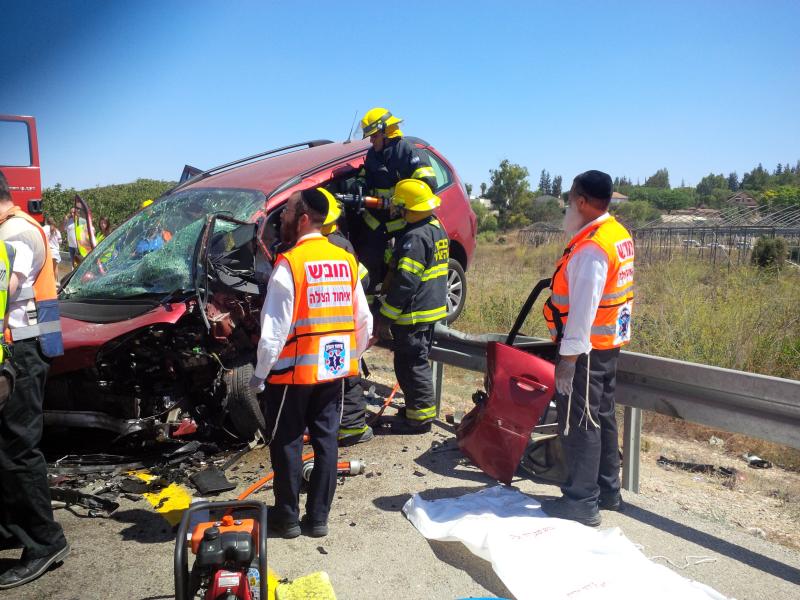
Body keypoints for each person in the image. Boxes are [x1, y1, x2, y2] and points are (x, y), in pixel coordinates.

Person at [249, 187, 372, 539]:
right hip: (333, 372)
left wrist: (260, 375)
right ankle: (318, 519)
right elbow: (364, 321)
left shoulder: (290, 264)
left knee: (286, 442)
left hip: (291, 375)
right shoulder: (346, 261)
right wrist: (353, 357)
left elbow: (273, 332)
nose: (282, 217)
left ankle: (287, 519)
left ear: (302, 219)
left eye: (286, 211)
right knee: (326, 441)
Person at [540, 170, 634, 527]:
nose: (567, 206)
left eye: (570, 199)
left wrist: (567, 361)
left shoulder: (592, 248)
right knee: (603, 417)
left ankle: (581, 501)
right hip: (609, 345)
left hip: (586, 350)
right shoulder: (618, 234)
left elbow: (582, 311)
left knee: (581, 422)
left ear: (581, 202)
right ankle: (608, 492)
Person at [0, 170, 69, 590]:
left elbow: (7, 288)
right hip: (22, 347)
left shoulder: (15, 234)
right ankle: (13, 529)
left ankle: (45, 542)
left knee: (16, 449)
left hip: (20, 351)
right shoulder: (20, 227)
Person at [374, 179, 449, 432]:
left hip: (415, 313)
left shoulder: (415, 237)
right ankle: (417, 409)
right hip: (429, 308)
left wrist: (386, 316)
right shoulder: (435, 226)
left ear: (407, 207)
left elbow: (405, 282)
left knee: (411, 363)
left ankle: (420, 419)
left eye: (399, 206)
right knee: (413, 361)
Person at [353, 107, 438, 302]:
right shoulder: (373, 154)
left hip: (402, 223)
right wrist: (360, 183)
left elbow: (427, 185)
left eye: (374, 136)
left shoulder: (407, 151)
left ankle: (397, 305)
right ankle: (370, 306)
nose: (371, 140)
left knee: (400, 270)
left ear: (385, 132)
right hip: (375, 222)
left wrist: (400, 203)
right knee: (369, 266)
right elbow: (366, 174)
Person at [317, 188, 373, 446]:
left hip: (325, 322)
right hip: (342, 320)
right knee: (345, 376)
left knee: (336, 378)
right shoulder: (341, 244)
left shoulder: (316, 244)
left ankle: (343, 427)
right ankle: (348, 427)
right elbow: (363, 279)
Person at [42, 217, 62, 285]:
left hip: (48, 251)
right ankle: (55, 282)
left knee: (47, 268)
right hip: (55, 251)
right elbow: (60, 241)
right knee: (55, 268)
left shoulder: (44, 228)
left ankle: (47, 282)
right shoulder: (57, 231)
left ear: (46, 221)